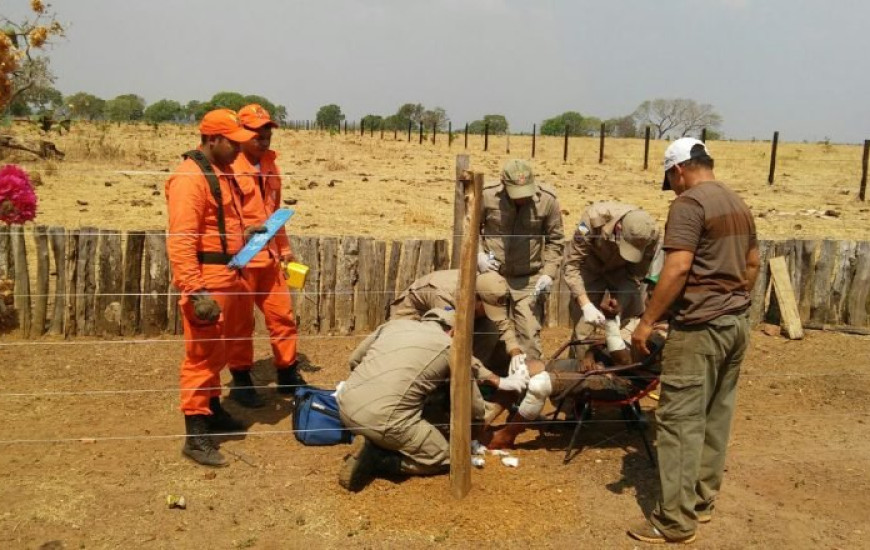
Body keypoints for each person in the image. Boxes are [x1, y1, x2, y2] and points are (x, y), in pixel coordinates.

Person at [628, 138, 760, 544]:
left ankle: (675, 521)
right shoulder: (736, 202)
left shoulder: (689, 205)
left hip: (700, 328)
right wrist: (732, 300)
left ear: (679, 170)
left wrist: (648, 321)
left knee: (679, 422)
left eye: (673, 180)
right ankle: (702, 502)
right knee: (715, 415)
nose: (675, 187)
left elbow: (678, 266)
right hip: (735, 325)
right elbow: (753, 263)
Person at [336, 309, 529, 492]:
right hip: (385, 420)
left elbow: (354, 360)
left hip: (344, 408)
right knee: (447, 457)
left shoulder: (393, 326)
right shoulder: (450, 346)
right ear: (453, 331)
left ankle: (375, 438)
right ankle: (378, 460)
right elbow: (473, 406)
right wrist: (478, 423)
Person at [165, 109, 256, 467]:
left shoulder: (223, 172)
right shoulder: (190, 178)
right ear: (212, 139)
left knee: (220, 351)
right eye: (233, 142)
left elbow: (221, 225)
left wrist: (244, 237)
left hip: (229, 274)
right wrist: (195, 290)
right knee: (202, 358)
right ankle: (196, 433)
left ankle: (213, 409)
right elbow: (182, 239)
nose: (239, 148)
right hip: (207, 280)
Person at [486, 276, 666, 450]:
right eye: (649, 293)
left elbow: (625, 361)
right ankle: (484, 421)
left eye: (656, 295)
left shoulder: (663, 334)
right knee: (523, 370)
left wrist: (611, 321)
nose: (649, 298)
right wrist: (589, 354)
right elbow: (602, 342)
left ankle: (507, 436)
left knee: (539, 384)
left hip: (619, 381)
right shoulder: (637, 321)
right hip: (596, 366)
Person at [225, 104, 306, 408]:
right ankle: (241, 380)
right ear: (241, 134)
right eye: (257, 133)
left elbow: (274, 215)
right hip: (242, 259)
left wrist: (284, 251)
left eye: (267, 132)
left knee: (282, 316)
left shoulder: (271, 165)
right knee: (239, 323)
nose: (264, 138)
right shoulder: (229, 166)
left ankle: (287, 373)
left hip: (271, 258)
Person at [476, 159, 564, 366]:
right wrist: (479, 256)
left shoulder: (547, 200)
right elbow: (470, 231)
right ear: (504, 185)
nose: (522, 198)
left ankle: (530, 391)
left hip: (529, 279)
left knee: (528, 335)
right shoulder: (486, 196)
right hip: (493, 275)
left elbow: (556, 240)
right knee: (489, 333)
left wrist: (548, 274)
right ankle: (488, 385)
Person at [563, 201, 660, 356]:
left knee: (629, 324)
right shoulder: (594, 218)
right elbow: (572, 265)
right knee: (583, 328)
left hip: (622, 271)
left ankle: (625, 373)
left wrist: (618, 309)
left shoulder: (650, 234)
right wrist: (585, 304)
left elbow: (636, 274)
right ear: (619, 228)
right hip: (589, 267)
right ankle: (580, 365)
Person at [389, 269, 515, 370]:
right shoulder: (444, 295)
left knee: (489, 330)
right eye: (486, 308)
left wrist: (516, 354)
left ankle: (471, 377)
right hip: (411, 322)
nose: (488, 313)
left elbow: (502, 323)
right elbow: (448, 337)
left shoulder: (487, 287)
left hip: (453, 319)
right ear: (476, 298)